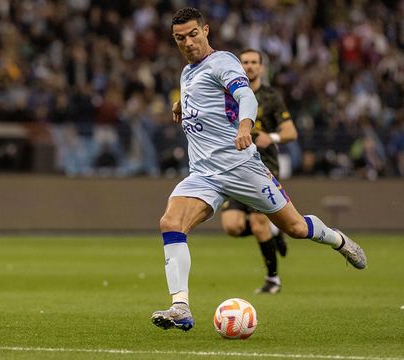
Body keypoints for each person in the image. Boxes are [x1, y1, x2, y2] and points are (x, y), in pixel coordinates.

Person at [151, 7, 366, 332]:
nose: (188, 42)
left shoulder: (222, 62)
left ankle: (337, 240)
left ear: (206, 30)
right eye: (180, 38)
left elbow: (245, 96)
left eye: (193, 34)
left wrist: (245, 126)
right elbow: (203, 99)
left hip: (243, 168)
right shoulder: (187, 73)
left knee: (294, 227)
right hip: (204, 175)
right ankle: (180, 306)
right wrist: (183, 104)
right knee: (170, 221)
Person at [220, 49, 298, 295]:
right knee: (231, 226)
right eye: (245, 62)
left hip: (263, 166)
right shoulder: (227, 94)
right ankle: (273, 231)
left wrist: (271, 136)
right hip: (234, 165)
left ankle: (272, 279)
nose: (250, 66)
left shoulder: (272, 96)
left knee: (257, 220)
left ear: (262, 68)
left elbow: (291, 133)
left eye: (254, 62)